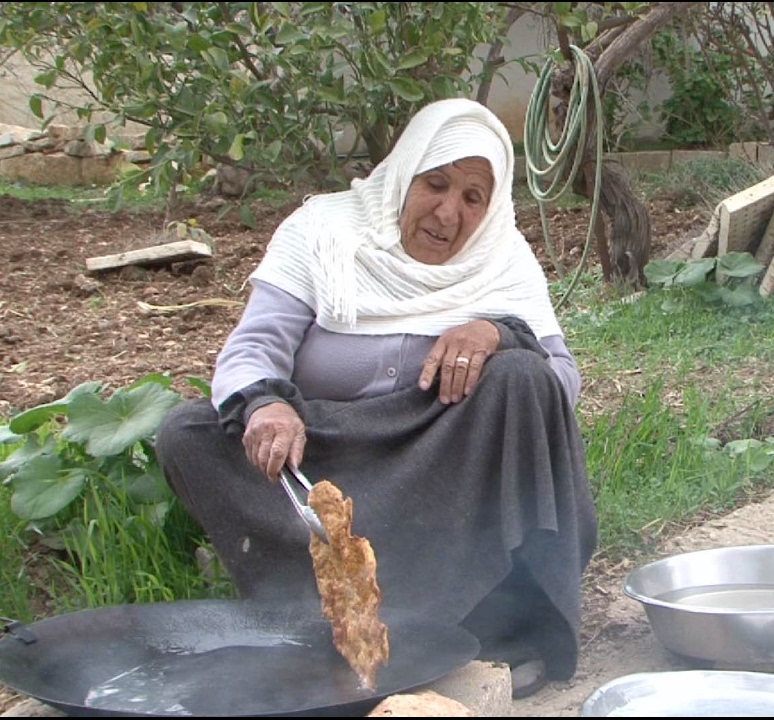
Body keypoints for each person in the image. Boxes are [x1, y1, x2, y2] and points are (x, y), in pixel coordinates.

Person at [155, 97, 598, 700]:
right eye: (435, 184)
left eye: (473, 198)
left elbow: (560, 383)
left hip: (445, 463)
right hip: (324, 456)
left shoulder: (502, 257)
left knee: (523, 376)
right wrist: (267, 406)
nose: (449, 212)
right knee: (188, 433)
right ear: (404, 172)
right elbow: (253, 348)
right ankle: (309, 615)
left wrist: (498, 332)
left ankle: (499, 624)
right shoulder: (321, 232)